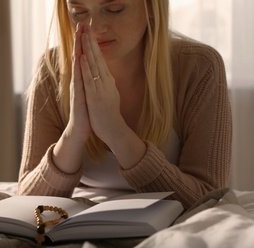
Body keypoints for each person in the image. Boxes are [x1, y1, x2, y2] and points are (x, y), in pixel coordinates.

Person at [17, 0, 232, 210]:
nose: (95, 27)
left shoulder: (200, 67)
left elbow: (209, 198)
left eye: (114, 9)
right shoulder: (52, 71)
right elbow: (27, 199)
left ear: (151, 6)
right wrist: (74, 134)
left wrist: (116, 132)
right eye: (78, 12)